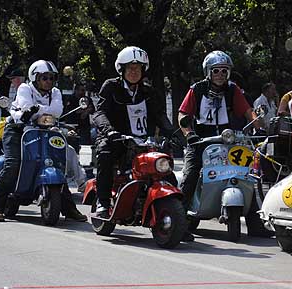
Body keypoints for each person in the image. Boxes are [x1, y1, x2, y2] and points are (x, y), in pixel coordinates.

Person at [0, 60, 87, 222]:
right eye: (44, 78)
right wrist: (40, 113)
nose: (48, 81)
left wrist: (38, 111)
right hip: (17, 130)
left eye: (51, 78)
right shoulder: (25, 88)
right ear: (35, 78)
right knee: (13, 163)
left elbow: (57, 110)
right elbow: (28, 107)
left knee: (57, 162)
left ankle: (69, 209)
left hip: (43, 129)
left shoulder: (55, 92)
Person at [178, 50, 262, 235]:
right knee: (191, 174)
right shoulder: (197, 89)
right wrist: (189, 134)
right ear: (208, 71)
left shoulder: (233, 89)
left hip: (228, 141)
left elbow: (248, 111)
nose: (220, 75)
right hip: (200, 141)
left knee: (248, 173)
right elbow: (183, 114)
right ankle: (180, 222)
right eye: (216, 71)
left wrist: (258, 126)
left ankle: (256, 223)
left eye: (224, 71)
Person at [92, 46, 175, 220]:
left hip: (144, 141)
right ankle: (103, 202)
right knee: (105, 155)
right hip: (117, 138)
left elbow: (160, 115)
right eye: (130, 68)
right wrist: (110, 132)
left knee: (165, 167)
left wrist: (173, 134)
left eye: (138, 68)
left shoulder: (148, 91)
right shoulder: (111, 87)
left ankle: (178, 213)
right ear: (121, 69)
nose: (134, 72)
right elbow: (100, 113)